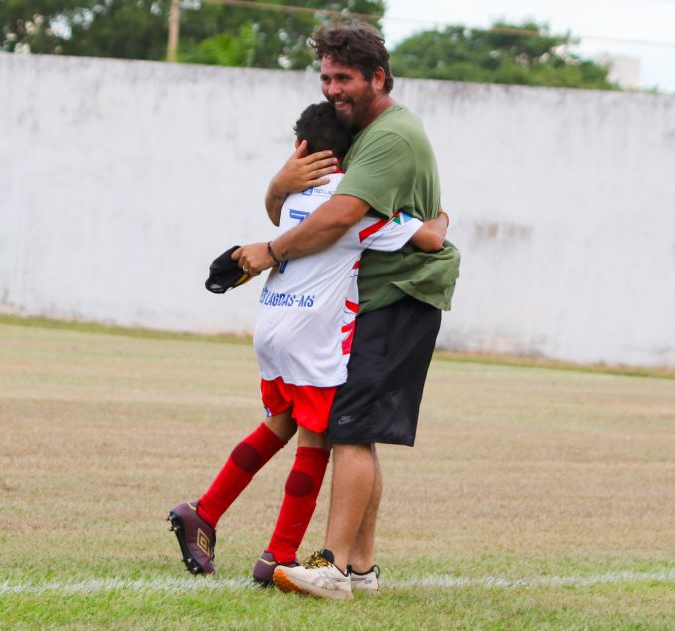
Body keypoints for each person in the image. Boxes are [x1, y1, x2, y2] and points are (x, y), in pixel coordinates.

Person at [168, 101, 448, 587]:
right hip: (314, 336)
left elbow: (276, 212)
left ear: (302, 150)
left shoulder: (292, 194)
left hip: (273, 325)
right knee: (317, 440)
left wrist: (279, 181)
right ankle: (278, 553)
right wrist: (442, 218)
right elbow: (426, 240)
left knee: (279, 424)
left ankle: (204, 511)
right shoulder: (355, 204)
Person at [234, 22, 461, 601]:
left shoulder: (390, 135)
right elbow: (298, 212)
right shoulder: (356, 134)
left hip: (399, 297)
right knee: (358, 430)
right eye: (327, 77)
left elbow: (338, 218)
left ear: (378, 78)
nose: (333, 88)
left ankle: (333, 569)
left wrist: (269, 255)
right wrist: (276, 186)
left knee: (350, 429)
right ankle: (360, 567)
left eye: (345, 77)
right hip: (375, 299)